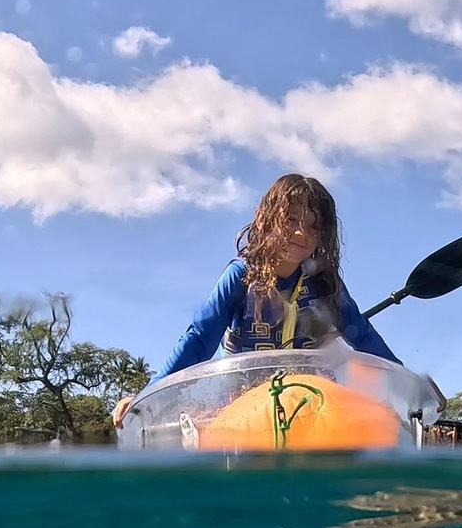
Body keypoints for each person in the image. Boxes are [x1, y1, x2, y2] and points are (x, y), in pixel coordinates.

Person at [112, 173, 403, 427]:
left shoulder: (325, 285)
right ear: (264, 219)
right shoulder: (241, 277)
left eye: (313, 227)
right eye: (290, 220)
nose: (302, 233)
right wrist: (145, 399)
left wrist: (406, 385)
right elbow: (199, 340)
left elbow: (362, 336)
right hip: (243, 413)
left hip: (312, 412)